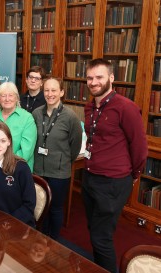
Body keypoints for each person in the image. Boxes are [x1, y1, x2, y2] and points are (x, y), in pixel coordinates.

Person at [82, 58, 148, 273]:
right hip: (90, 176)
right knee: (94, 229)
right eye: (90, 78)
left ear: (111, 78)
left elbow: (139, 146)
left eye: (99, 77)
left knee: (101, 238)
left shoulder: (126, 108)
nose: (94, 82)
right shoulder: (90, 106)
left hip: (113, 182)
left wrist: (134, 175)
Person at [32, 77, 82, 239]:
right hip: (38, 168)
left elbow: (75, 147)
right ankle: (40, 238)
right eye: (46, 90)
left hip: (59, 172)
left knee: (55, 208)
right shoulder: (36, 114)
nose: (49, 94)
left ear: (61, 92)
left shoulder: (70, 117)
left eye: (54, 90)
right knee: (40, 206)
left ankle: (53, 240)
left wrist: (63, 161)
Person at [0, 82, 37, 171]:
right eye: (3, 96)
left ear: (16, 98)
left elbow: (26, 151)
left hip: (18, 169)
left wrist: (4, 165)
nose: (7, 99)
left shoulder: (27, 118)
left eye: (11, 95)